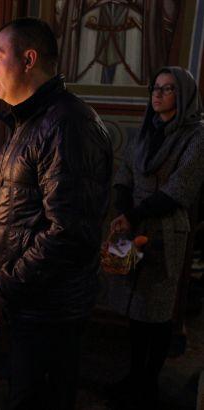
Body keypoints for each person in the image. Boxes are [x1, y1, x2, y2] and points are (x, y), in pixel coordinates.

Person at [0, 18, 112, 410]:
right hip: (30, 299)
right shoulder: (28, 121)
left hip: (51, 308)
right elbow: (13, 210)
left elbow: (68, 232)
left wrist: (8, 284)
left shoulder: (66, 125)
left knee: (38, 399)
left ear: (28, 59)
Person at [108, 66, 204, 408]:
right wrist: (123, 210)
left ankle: (149, 383)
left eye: (167, 89)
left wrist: (133, 214)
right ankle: (134, 376)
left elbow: (180, 189)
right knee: (135, 308)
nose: (158, 94)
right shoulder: (143, 132)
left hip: (164, 228)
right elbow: (124, 174)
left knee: (157, 310)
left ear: (183, 95)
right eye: (155, 88)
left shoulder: (195, 137)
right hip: (133, 224)